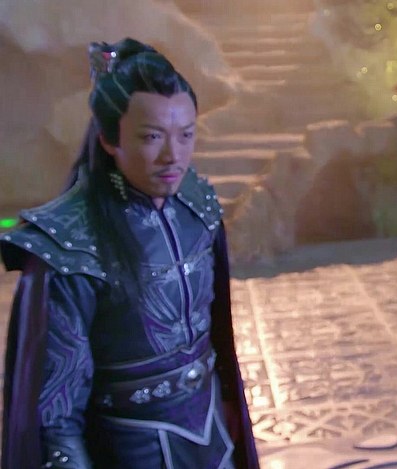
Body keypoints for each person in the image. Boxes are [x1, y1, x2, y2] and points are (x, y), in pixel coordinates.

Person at [0, 38, 259, 468]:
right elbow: (55, 412)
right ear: (108, 138)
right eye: (152, 137)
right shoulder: (72, 244)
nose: (173, 155)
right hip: (129, 447)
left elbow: (216, 336)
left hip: (211, 431)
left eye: (186, 135)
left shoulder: (196, 206)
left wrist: (228, 409)